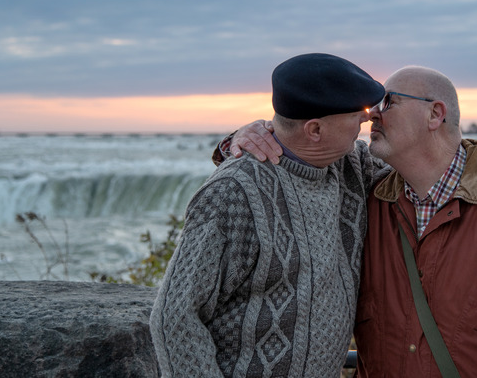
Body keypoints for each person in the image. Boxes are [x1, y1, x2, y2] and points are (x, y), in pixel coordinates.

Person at [222, 66, 477, 377]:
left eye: (388, 101)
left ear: (435, 114)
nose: (371, 114)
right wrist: (246, 140)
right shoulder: (363, 200)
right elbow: (298, 167)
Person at [149, 53, 389, 378]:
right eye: (358, 115)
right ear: (315, 129)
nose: (368, 119)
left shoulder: (353, 165)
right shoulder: (231, 194)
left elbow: (427, 167)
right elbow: (175, 315)